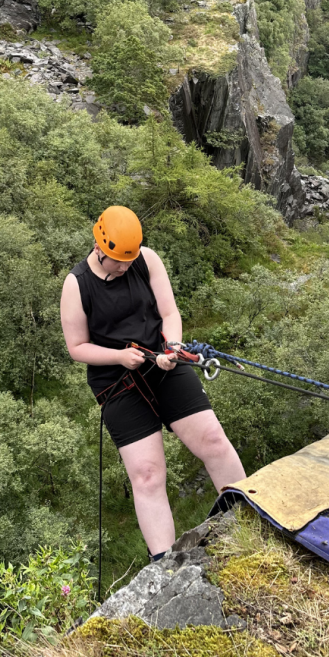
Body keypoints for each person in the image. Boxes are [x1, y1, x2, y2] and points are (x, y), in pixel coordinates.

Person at [60, 205, 245, 560]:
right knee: (147, 474)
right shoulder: (77, 285)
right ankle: (165, 564)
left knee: (212, 439)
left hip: (162, 359)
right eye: (118, 260)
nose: (125, 266)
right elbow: (77, 347)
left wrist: (173, 347)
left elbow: (169, 313)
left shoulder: (146, 260)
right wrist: (118, 357)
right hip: (116, 382)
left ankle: (247, 516)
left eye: (129, 259)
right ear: (99, 247)